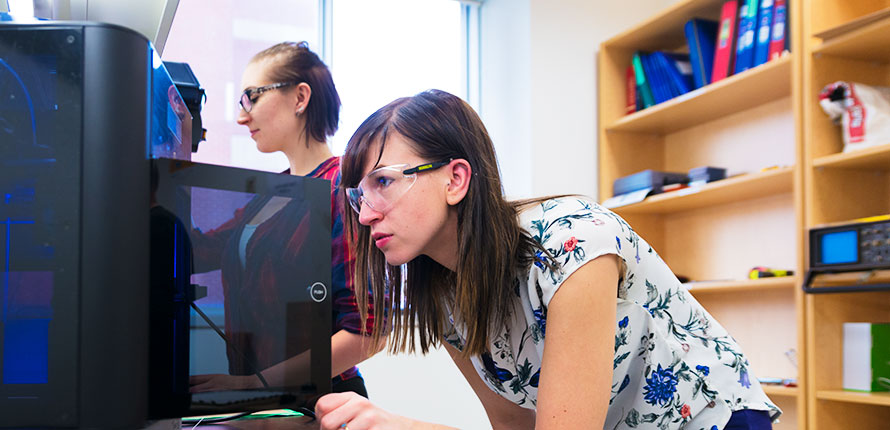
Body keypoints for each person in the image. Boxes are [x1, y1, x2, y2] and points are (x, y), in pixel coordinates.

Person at [314, 89, 781, 429]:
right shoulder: (440, 291)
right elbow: (513, 427)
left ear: (455, 179)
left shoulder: (571, 243)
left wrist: (403, 427)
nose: (366, 212)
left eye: (384, 182)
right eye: (358, 194)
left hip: (713, 421)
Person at [188, 41, 380, 398]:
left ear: (300, 98)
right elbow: (197, 250)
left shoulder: (342, 187)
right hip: (265, 400)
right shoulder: (271, 195)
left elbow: (366, 333)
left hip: (324, 402)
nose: (242, 116)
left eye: (252, 97)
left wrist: (254, 384)